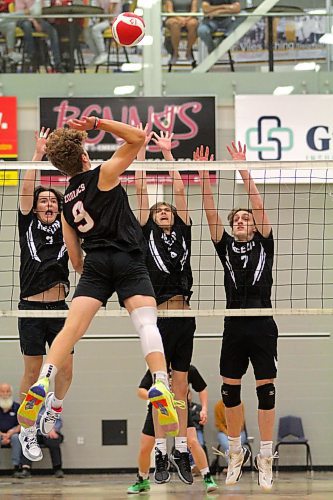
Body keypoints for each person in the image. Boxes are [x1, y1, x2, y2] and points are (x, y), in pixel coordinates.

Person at [17, 116, 178, 447]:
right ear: (85, 156)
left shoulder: (66, 205)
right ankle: (160, 381)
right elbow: (137, 138)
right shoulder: (103, 175)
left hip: (96, 266)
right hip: (129, 259)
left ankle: (43, 380)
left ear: (62, 168)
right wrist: (96, 122)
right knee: (147, 322)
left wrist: (92, 270)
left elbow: (75, 260)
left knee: (71, 330)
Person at [197, 142, 278, 491]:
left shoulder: (265, 242)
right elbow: (210, 213)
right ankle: (234, 451)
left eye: (246, 219)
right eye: (238, 220)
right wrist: (203, 177)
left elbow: (258, 204)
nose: (242, 221)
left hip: (262, 321)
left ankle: (265, 455)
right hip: (234, 322)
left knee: (267, 392)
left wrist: (243, 169)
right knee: (229, 392)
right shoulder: (225, 245)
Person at [135, 129, 195, 485]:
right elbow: (141, 188)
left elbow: (180, 190)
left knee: (182, 388)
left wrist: (169, 155)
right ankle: (161, 450)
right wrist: (141, 151)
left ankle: (182, 451)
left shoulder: (183, 231)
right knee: (161, 388)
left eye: (166, 210)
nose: (162, 212)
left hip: (184, 313)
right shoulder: (146, 234)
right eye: (157, 211)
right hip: (158, 316)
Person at [17, 127, 72, 464]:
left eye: (53, 200)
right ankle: (27, 430)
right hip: (31, 307)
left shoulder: (68, 223)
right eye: (44, 200)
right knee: (32, 371)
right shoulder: (28, 223)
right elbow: (26, 189)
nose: (49, 203)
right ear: (35, 208)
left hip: (60, 306)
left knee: (65, 371)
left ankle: (53, 408)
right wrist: (38, 154)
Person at [127, 366, 218, 494]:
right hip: (159, 408)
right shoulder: (156, 370)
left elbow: (202, 389)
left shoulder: (187, 368)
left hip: (180, 409)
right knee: (145, 447)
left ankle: (207, 477)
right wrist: (155, 395)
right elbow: (140, 390)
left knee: (192, 441)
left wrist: (204, 409)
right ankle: (142, 479)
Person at [14, 0, 66, 72]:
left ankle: (57, 63)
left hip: (39, 20)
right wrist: (34, 21)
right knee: (27, 26)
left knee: (53, 31)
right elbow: (19, 12)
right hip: (23, 19)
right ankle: (29, 56)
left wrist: (51, 15)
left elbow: (44, 13)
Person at [20, 403, 65, 478]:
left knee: (53, 441)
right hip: (36, 433)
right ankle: (26, 468)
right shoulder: (29, 409)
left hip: (51, 433)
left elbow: (58, 422)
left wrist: (52, 429)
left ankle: (57, 469)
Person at [84, 0, 122, 66]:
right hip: (104, 20)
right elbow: (95, 9)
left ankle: (103, 53)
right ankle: (97, 54)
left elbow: (111, 11)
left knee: (95, 29)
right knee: (86, 31)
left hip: (115, 20)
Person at [0, 383, 22, 477]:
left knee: (16, 438)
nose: (5, 393)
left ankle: (16, 467)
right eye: (2, 391)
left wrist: (11, 432)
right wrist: (2, 434)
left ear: (11, 393)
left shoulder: (17, 407)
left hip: (13, 433)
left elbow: (22, 424)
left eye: (7, 391)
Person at [0, 0, 22, 64]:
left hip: (4, 19)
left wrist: (5, 2)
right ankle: (24, 13)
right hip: (5, 17)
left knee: (11, 25)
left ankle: (11, 52)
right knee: (11, 17)